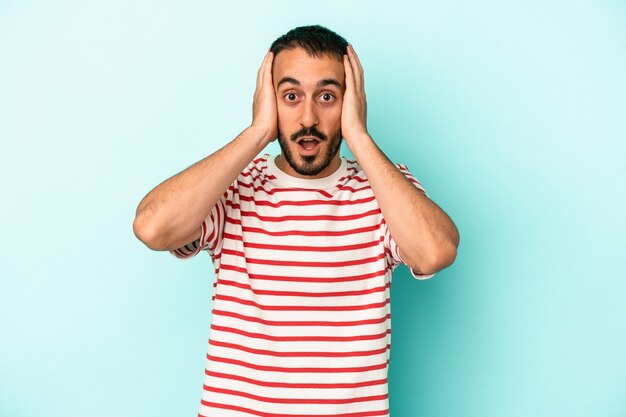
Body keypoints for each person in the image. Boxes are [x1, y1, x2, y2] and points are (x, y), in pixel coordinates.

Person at [133, 24, 459, 417]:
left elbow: (436, 252)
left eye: (327, 97)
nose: (308, 117)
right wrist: (256, 132)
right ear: (269, 101)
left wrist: (359, 135)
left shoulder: (384, 189)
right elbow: (152, 227)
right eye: (290, 96)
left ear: (352, 101)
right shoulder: (234, 186)